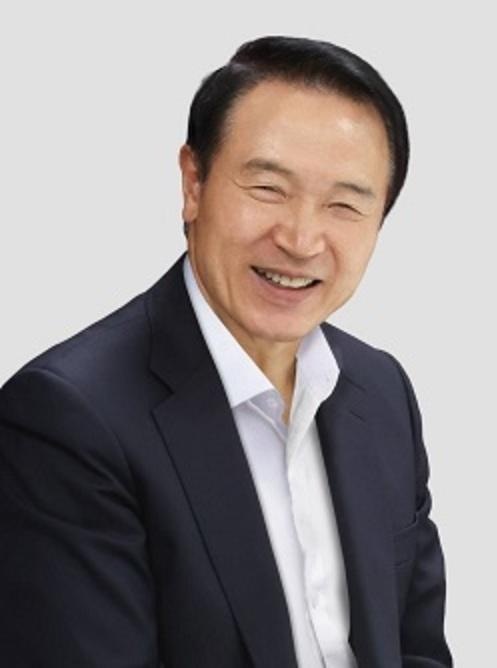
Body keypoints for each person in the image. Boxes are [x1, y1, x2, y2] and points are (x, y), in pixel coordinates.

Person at [0, 35, 453, 667]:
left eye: (344, 205)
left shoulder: (381, 391)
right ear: (194, 182)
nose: (301, 239)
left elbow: (418, 651)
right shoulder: (69, 418)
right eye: (268, 188)